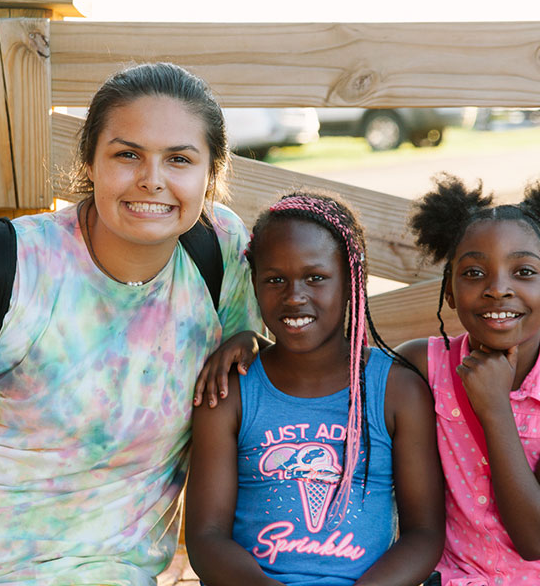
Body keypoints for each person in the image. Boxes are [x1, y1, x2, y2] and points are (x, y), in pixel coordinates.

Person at [0, 62, 265, 585]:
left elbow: (305, 374)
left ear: (210, 174)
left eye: (179, 159)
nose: (152, 178)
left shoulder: (222, 256)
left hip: (95, 568)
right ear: (90, 162)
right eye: (127, 154)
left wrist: (254, 339)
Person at [185, 192, 445, 586]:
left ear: (352, 281)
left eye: (316, 278)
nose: (294, 296)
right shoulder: (231, 390)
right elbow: (205, 539)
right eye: (275, 279)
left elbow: (424, 534)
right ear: (253, 282)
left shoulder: (395, 390)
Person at [396, 174, 540, 586]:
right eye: (475, 272)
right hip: (455, 577)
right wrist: (249, 342)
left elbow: (538, 538)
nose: (498, 289)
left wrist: (495, 407)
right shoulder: (420, 366)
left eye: (523, 271)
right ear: (449, 289)